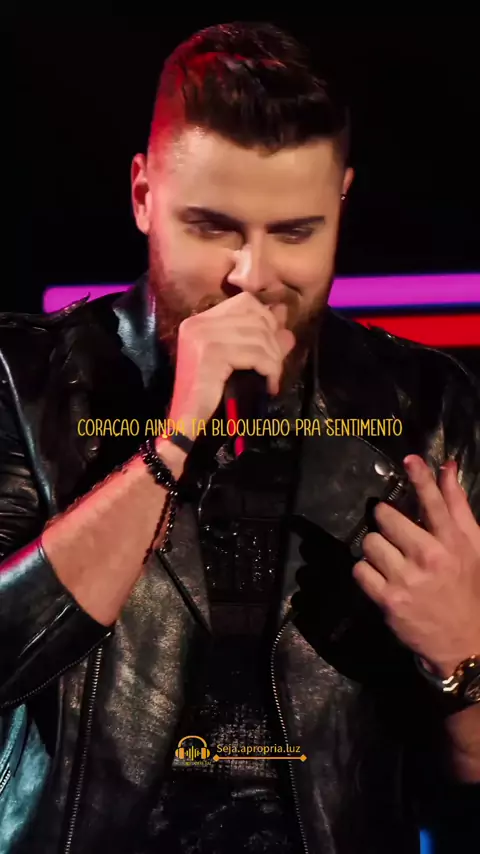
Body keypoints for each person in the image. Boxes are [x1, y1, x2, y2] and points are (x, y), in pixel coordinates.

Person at [0, 20, 479, 854]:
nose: (252, 277)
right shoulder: (23, 378)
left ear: (341, 203)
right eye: (213, 227)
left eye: (295, 233)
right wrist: (172, 441)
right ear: (143, 197)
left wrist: (465, 657)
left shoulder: (429, 407)